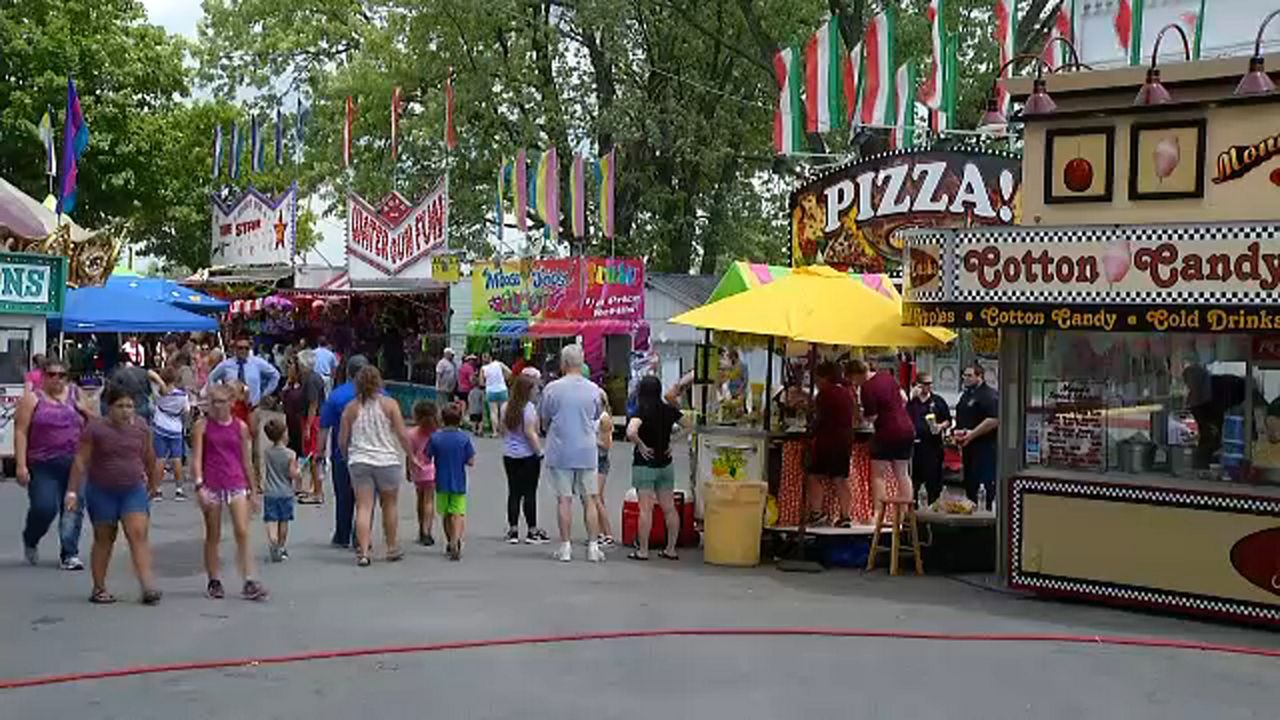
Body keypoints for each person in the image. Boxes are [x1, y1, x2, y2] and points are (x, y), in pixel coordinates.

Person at [65, 384, 162, 605]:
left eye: (129, 406)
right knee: (104, 538)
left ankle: (147, 586)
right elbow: (81, 460)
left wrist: (153, 485)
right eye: (120, 406)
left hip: (132, 489)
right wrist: (72, 491)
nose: (126, 411)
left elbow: (150, 457)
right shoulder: (96, 429)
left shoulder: (141, 427)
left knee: (137, 534)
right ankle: (99, 588)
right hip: (102, 490)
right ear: (109, 407)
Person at [192, 384, 269, 601]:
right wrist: (199, 486)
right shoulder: (202, 426)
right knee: (213, 534)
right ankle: (214, 580)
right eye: (213, 401)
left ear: (231, 403)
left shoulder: (240, 427)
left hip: (235, 482)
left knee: (242, 531)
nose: (216, 406)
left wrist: (253, 490)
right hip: (212, 484)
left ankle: (249, 579)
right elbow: (197, 458)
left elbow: (246, 460)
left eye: (221, 401)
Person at [338, 365, 419, 567]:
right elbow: (402, 433)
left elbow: (342, 439)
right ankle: (391, 547)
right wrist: (411, 456)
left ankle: (364, 551)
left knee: (364, 507)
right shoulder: (390, 405)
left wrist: (345, 455)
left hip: (360, 460)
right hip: (386, 460)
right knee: (389, 505)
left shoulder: (350, 408)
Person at [15, 358, 87, 570]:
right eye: (51, 375)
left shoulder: (76, 394)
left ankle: (69, 553)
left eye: (61, 375)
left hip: (75, 462)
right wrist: (21, 465)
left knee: (73, 508)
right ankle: (31, 537)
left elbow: (93, 422)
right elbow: (21, 430)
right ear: (43, 377)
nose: (57, 379)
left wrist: (86, 411)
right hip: (43, 463)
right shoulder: (32, 399)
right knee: (44, 508)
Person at [540, 344, 607, 563]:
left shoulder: (552, 388)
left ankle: (566, 546)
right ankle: (593, 547)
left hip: (561, 449)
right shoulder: (594, 390)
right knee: (589, 499)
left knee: (564, 500)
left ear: (564, 363)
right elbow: (597, 415)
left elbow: (544, 418)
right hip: (587, 450)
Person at [626, 373, 693, 561]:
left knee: (645, 509)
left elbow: (631, 431)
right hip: (665, 463)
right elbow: (689, 426)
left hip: (645, 463)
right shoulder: (668, 410)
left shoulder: (641, 410)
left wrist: (640, 444)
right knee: (669, 508)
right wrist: (673, 441)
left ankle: (643, 550)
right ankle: (671, 549)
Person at [318, 355, 370, 549]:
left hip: (343, 453)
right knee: (366, 499)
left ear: (347, 372)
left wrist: (319, 452)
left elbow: (324, 427)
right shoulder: (381, 394)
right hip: (370, 454)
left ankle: (342, 534)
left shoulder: (337, 395)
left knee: (343, 495)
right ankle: (362, 535)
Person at [805, 362, 856, 527]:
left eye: (818, 378)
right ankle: (845, 516)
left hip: (827, 441)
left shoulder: (824, 394)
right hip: (845, 440)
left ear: (825, 377)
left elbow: (819, 419)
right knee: (840, 479)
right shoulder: (847, 393)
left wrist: (809, 431)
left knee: (814, 475)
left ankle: (816, 512)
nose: (816, 381)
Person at [501, 374, 548, 544]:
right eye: (534, 388)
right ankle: (532, 530)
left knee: (514, 492)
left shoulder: (506, 407)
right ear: (526, 391)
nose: (536, 391)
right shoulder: (528, 409)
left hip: (509, 454)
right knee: (529, 493)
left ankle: (513, 530)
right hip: (527, 455)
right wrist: (539, 451)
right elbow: (530, 433)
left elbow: (502, 430)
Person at [425, 403, 476, 560]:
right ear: (460, 420)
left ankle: (449, 540)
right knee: (458, 513)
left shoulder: (435, 438)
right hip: (459, 480)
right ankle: (456, 540)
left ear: (442, 419)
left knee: (446, 513)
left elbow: (427, 456)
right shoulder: (464, 438)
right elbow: (471, 461)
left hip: (441, 480)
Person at [955, 363, 1000, 504]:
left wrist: (972, 434)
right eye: (964, 375)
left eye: (969, 375)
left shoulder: (989, 395)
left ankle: (984, 517)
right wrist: (958, 434)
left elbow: (994, 420)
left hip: (984, 447)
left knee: (983, 485)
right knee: (970, 484)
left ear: (979, 376)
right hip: (968, 447)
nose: (965, 378)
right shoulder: (966, 395)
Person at [906, 373, 952, 504]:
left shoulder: (937, 401)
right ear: (918, 385)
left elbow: (947, 420)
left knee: (933, 478)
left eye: (930, 384)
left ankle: (933, 502)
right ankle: (914, 507)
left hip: (933, 445)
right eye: (925, 384)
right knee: (914, 479)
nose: (929, 387)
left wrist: (940, 426)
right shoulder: (912, 402)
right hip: (915, 445)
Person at [148, 366, 190, 501]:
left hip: (160, 427)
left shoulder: (158, 393)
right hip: (176, 429)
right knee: (176, 459)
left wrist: (159, 380)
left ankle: (158, 490)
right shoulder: (182, 396)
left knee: (160, 459)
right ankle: (179, 489)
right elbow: (186, 411)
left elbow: (150, 375)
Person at [261, 418, 300, 562]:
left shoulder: (267, 452)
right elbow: (292, 473)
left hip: (270, 491)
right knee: (284, 521)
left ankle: (273, 541)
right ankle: (281, 547)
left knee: (271, 519)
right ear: (284, 434)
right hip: (285, 492)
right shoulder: (290, 454)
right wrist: (298, 472)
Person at [208, 336, 282, 409]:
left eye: (246, 348)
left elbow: (275, 375)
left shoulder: (257, 363)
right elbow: (211, 378)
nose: (243, 351)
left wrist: (265, 393)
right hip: (231, 408)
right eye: (240, 348)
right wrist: (218, 395)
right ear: (235, 349)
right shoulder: (226, 365)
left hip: (252, 407)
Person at [297, 350, 326, 504]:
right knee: (312, 456)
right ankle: (314, 487)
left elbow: (313, 404)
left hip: (313, 420)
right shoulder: (311, 378)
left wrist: (308, 426)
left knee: (313, 456)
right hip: (312, 419)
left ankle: (318, 491)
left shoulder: (311, 380)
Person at [409, 400, 439, 546]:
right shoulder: (436, 434)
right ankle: (427, 531)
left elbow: (410, 454)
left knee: (420, 500)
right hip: (433, 471)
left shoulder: (412, 434)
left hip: (418, 470)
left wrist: (408, 470)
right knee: (429, 501)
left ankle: (421, 528)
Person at [594, 401, 616, 547]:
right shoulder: (593, 416)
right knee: (596, 497)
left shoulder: (604, 418)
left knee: (596, 497)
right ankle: (600, 532)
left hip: (600, 460)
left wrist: (591, 440)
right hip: (592, 459)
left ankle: (608, 534)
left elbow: (607, 445)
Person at [480, 352, 512, 437]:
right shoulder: (499, 364)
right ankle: (503, 431)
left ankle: (495, 432)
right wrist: (503, 379)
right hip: (502, 389)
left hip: (490, 391)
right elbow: (509, 372)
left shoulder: (483, 368)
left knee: (493, 412)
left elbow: (481, 382)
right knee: (503, 411)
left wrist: (488, 382)